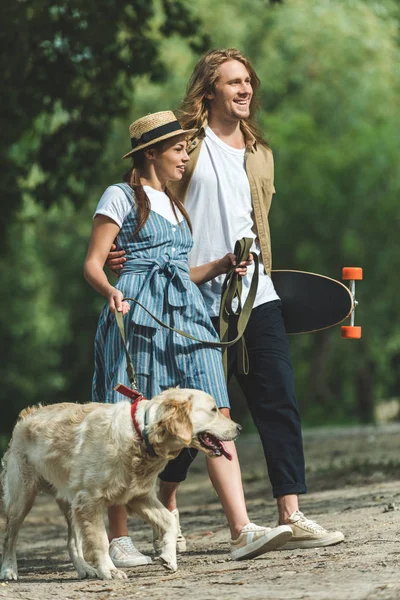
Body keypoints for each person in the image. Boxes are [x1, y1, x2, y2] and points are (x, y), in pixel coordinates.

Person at [107, 50, 345, 551]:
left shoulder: (258, 149)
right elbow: (141, 193)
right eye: (233, 82)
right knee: (192, 414)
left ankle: (291, 511)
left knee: (278, 398)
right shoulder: (186, 144)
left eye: (248, 81)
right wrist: (123, 256)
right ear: (209, 90)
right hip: (186, 298)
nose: (245, 90)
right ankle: (164, 504)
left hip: (254, 292)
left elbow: (255, 221)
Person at [83, 110, 293, 569]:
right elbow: (94, 263)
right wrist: (113, 292)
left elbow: (181, 272)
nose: (185, 156)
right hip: (137, 313)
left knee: (216, 409)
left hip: (189, 314)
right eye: (178, 149)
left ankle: (241, 529)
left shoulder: (177, 206)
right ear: (151, 153)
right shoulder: (120, 196)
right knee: (124, 420)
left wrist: (217, 266)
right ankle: (118, 539)